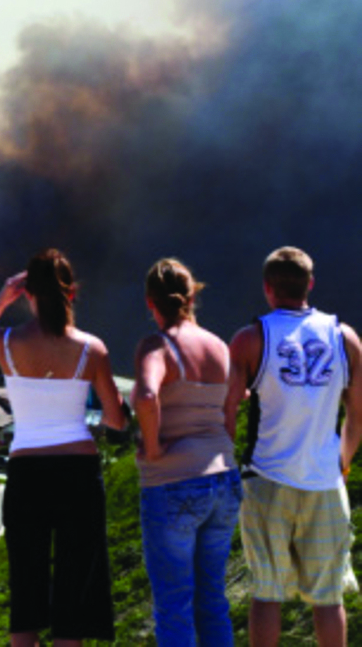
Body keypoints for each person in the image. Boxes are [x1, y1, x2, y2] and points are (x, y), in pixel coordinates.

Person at [0, 249, 126, 646]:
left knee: (27, 589)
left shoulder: (5, 343)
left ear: (28, 294)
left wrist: (2, 298)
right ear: (72, 292)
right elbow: (115, 419)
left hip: (27, 476)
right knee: (73, 595)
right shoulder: (93, 349)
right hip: (79, 476)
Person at [224, 247, 362, 647]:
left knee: (267, 594)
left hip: (267, 479)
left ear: (268, 289)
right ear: (311, 284)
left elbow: (228, 411)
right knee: (328, 597)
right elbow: (358, 412)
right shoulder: (345, 337)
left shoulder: (250, 339)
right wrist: (343, 462)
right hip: (324, 481)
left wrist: (228, 468)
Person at [132, 258, 240, 645]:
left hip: (172, 484)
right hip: (224, 479)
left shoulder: (156, 346)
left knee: (174, 605)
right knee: (212, 599)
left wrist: (155, 447)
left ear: (150, 302)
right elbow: (234, 406)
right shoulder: (220, 348)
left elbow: (146, 396)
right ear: (193, 295)